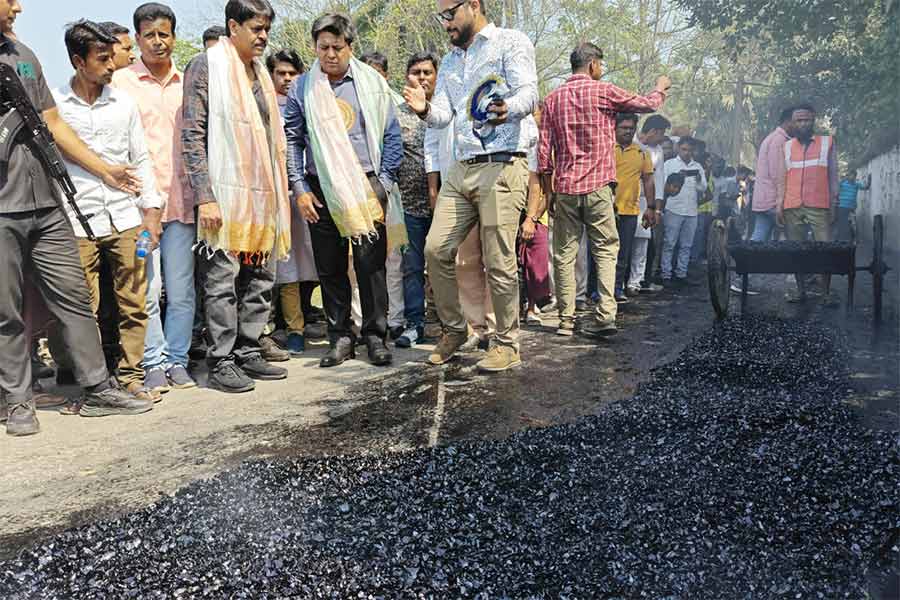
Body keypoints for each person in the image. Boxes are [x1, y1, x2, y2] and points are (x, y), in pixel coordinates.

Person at [0, 2, 154, 436]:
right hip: (1, 207)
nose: (18, 5)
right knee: (5, 311)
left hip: (47, 202)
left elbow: (53, 123)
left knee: (73, 299)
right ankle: (16, 402)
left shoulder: (22, 55)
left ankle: (97, 388)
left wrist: (104, 170)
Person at [403, 0, 538, 372]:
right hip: (461, 169)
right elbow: (444, 116)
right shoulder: (448, 62)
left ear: (473, 5)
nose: (445, 22)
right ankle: (454, 330)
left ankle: (507, 344)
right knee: (435, 248)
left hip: (502, 162)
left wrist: (505, 108)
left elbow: (530, 93)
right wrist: (424, 109)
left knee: (498, 260)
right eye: (441, 17)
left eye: (449, 14)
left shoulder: (510, 42)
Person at [182, 0, 292, 392]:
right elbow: (192, 134)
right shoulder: (206, 64)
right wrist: (205, 196)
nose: (263, 37)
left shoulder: (260, 71)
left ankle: (248, 350)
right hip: (224, 193)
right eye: (256, 29)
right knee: (222, 280)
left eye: (266, 30)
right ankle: (221, 359)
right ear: (234, 26)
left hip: (262, 194)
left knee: (260, 275)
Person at [53, 19, 165, 404]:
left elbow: (142, 158)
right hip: (76, 219)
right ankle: (93, 384)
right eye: (102, 58)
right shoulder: (55, 107)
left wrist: (151, 211)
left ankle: (132, 377)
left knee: (134, 301)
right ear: (77, 61)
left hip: (126, 217)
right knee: (83, 308)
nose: (111, 65)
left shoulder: (124, 103)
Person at [285, 12, 404, 368]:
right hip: (320, 187)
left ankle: (374, 336)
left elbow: (392, 136)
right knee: (330, 267)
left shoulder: (372, 83)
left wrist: (382, 184)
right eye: (323, 47)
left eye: (337, 47)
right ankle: (339, 337)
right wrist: (300, 189)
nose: (331, 54)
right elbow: (293, 140)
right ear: (315, 47)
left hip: (366, 184)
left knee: (371, 267)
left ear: (350, 47)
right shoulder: (303, 87)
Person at [538, 42, 669, 338]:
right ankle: (605, 315)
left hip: (566, 189)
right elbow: (647, 104)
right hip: (597, 187)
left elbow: (544, 156)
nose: (602, 70)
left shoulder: (552, 99)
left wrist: (550, 193)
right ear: (593, 65)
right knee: (606, 250)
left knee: (564, 254)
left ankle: (566, 320)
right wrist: (660, 87)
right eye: (601, 65)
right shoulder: (604, 91)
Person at [112, 2, 199, 393]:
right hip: (141, 210)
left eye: (164, 34)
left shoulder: (189, 83)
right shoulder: (122, 83)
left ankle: (178, 360)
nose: (158, 42)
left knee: (181, 289)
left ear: (174, 38)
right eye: (150, 35)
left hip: (182, 205)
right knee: (146, 289)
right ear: (137, 39)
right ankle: (153, 363)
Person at [265, 48, 316, 357]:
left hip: (310, 192)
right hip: (279, 196)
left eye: (291, 73)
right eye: (280, 73)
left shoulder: (310, 101)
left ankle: (321, 318)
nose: (286, 79)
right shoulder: (264, 106)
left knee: (319, 259)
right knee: (288, 265)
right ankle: (294, 329)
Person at [776, 102, 840, 306]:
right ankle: (800, 291)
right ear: (792, 123)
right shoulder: (785, 147)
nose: (803, 124)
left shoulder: (827, 143)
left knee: (826, 250)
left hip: (819, 204)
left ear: (813, 121)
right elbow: (781, 177)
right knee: (796, 250)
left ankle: (826, 293)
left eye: (807, 120)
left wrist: (834, 203)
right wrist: (779, 203)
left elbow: (833, 176)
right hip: (792, 205)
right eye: (799, 120)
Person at [360, 49, 405, 340]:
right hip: (354, 192)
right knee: (360, 260)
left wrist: (384, 183)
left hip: (389, 190)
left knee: (393, 258)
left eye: (377, 72)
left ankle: (397, 317)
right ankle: (360, 320)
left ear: (385, 76)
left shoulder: (398, 103)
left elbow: (397, 146)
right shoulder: (350, 103)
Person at [394, 51, 438, 348]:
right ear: (406, 77)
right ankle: (414, 323)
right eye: (415, 72)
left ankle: (450, 322)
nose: (421, 78)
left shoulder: (445, 112)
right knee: (411, 267)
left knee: (447, 265)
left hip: (447, 204)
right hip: (407, 206)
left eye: (427, 72)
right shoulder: (394, 114)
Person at [612, 112, 656, 303]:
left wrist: (651, 208)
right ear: (615, 128)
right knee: (600, 252)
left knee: (623, 253)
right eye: (624, 128)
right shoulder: (605, 149)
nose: (628, 132)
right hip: (604, 210)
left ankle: (617, 288)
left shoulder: (641, 153)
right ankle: (595, 290)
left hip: (630, 211)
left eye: (631, 128)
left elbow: (648, 181)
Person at [630, 113, 670, 295]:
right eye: (661, 134)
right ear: (653, 131)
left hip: (647, 202)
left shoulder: (658, 151)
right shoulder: (630, 142)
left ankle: (635, 283)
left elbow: (659, 181)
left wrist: (658, 209)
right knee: (622, 244)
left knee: (642, 244)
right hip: (626, 199)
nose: (662, 139)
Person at [661, 136, 706, 286]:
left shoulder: (698, 166)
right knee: (669, 243)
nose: (687, 153)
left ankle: (681, 273)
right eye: (684, 149)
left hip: (691, 210)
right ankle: (666, 274)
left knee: (686, 245)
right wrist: (676, 178)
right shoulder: (669, 164)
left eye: (690, 150)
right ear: (678, 148)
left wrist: (698, 178)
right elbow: (664, 185)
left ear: (694, 151)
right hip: (673, 208)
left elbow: (703, 188)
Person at [836, 171, 869, 242]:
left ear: (855, 177)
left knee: (854, 224)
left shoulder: (857, 185)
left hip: (851, 208)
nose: (852, 177)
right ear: (848, 176)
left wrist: (869, 181)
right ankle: (840, 239)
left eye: (854, 176)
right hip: (842, 207)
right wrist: (842, 180)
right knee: (842, 224)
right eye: (851, 175)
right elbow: (836, 186)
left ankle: (856, 239)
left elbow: (865, 187)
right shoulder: (842, 183)